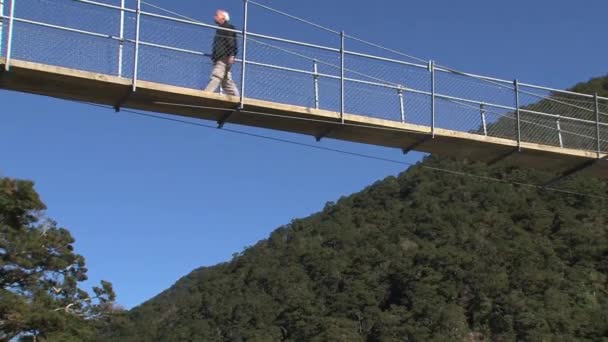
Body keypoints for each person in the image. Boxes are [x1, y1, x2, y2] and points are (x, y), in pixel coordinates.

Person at [204, 9, 239, 97]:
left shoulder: (227, 27)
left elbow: (231, 41)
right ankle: (236, 97)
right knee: (226, 81)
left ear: (223, 17)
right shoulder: (223, 28)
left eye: (217, 15)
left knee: (216, 76)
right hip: (224, 57)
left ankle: (206, 94)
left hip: (223, 57)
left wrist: (231, 54)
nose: (214, 17)